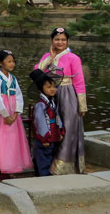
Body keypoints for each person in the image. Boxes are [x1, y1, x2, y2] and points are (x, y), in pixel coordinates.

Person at [35, 27, 86, 174]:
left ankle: (63, 165)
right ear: (52, 40)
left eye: (63, 39)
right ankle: (47, 161)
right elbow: (36, 73)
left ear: (68, 41)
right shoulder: (46, 56)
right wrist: (49, 59)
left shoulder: (73, 58)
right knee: (50, 126)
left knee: (68, 128)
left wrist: (81, 104)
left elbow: (79, 82)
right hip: (50, 95)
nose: (60, 42)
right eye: (57, 39)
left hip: (68, 94)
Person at [29, 69, 65, 177]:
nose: (53, 89)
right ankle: (42, 177)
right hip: (44, 138)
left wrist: (60, 131)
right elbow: (40, 122)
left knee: (49, 157)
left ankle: (45, 175)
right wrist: (44, 138)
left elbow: (57, 117)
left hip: (53, 135)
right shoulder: (41, 104)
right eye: (49, 87)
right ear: (40, 89)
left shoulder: (52, 102)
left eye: (54, 87)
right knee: (42, 158)